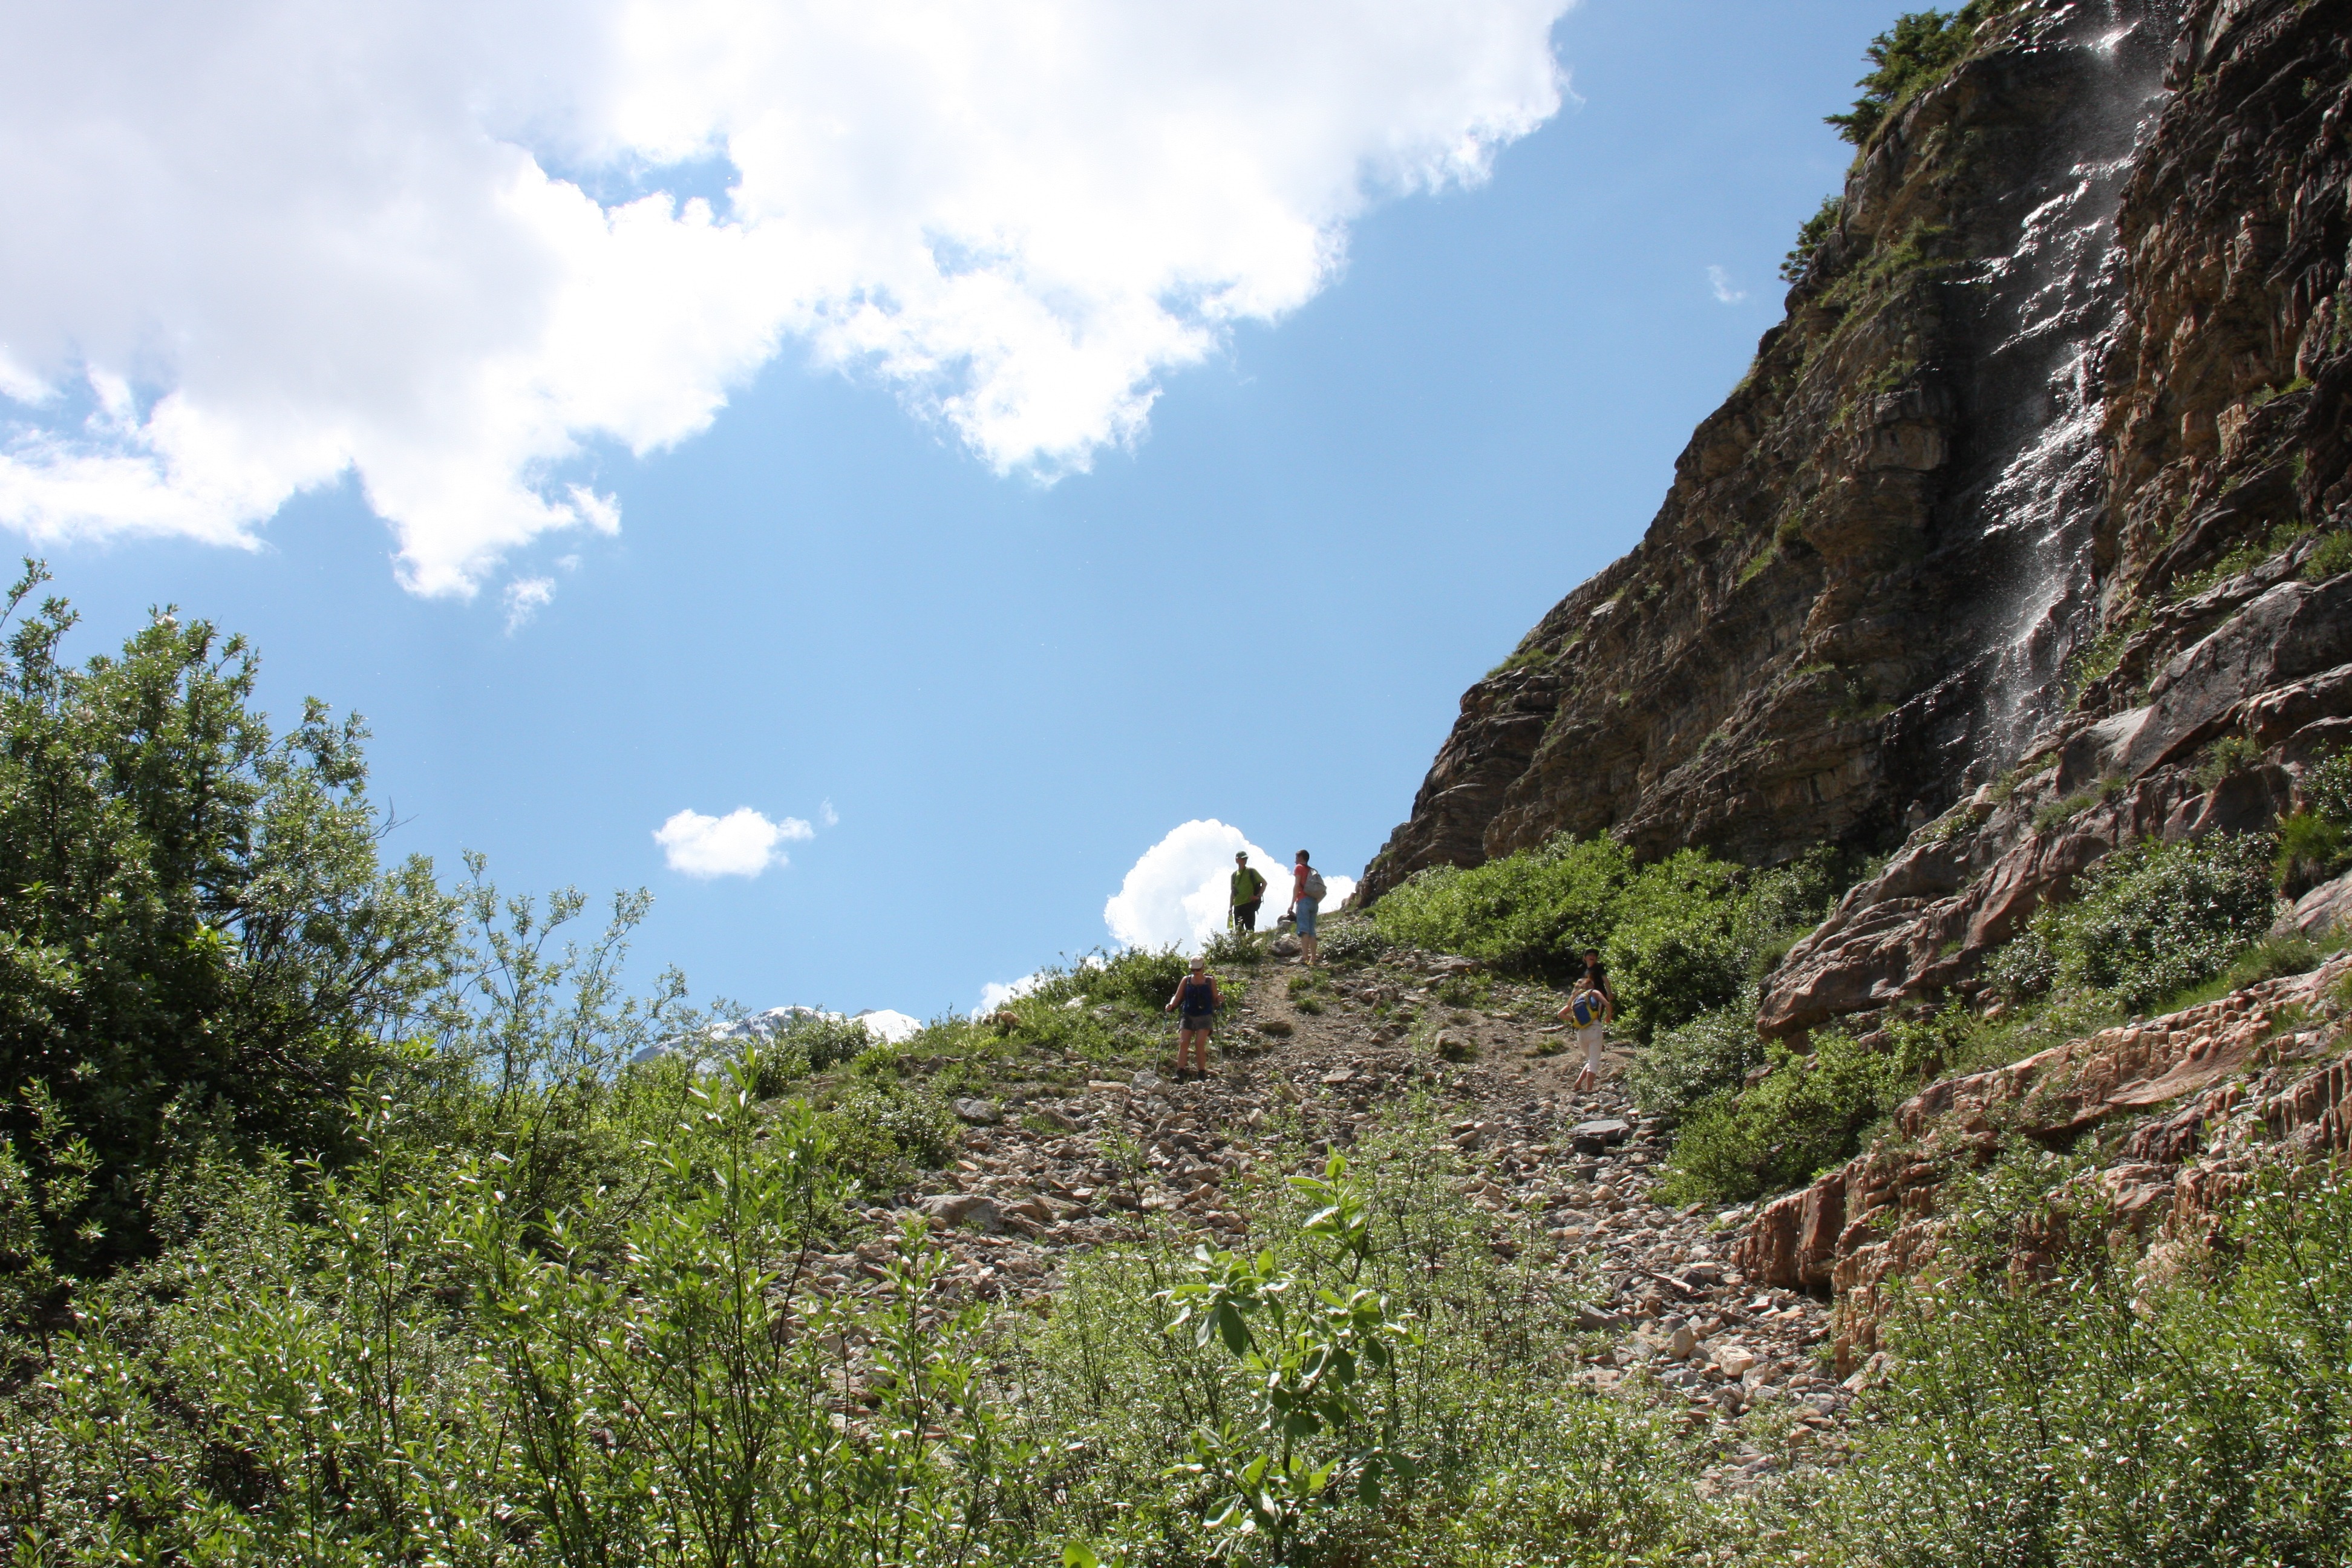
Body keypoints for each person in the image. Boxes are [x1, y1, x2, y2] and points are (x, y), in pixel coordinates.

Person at [1164, 956, 1221, 1080]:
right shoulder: (1186, 980)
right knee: (1184, 1043)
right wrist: (1171, 1004)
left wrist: (1220, 1000)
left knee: (1200, 1043)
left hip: (1205, 1015)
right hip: (1188, 1014)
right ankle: (1180, 1073)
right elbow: (1178, 996)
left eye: (1197, 970)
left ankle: (1201, 1073)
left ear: (1203, 968)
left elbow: (1216, 999)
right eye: (1193, 970)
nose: (1195, 972)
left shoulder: (1210, 981)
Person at [1559, 973, 1612, 1095]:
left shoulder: (1576, 999)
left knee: (1590, 1060)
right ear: (1591, 985)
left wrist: (1573, 1021)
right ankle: (1589, 1090)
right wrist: (1609, 1016)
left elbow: (1561, 1014)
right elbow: (1607, 1004)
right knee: (1594, 1062)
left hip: (1581, 1033)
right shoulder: (1594, 993)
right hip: (1595, 1029)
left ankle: (1578, 1083)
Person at [1290, 850, 1324, 967]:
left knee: (1304, 930)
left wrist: (1292, 903)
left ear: (1301, 857)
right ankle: (1313, 958)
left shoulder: (1299, 868)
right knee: (1312, 931)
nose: (1295, 859)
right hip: (1313, 902)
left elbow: (1297, 885)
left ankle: (1304, 957)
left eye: (1296, 856)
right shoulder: (1311, 870)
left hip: (1303, 900)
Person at [1230, 851, 1267, 933]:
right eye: (1243, 859)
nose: (1245, 860)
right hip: (1237, 906)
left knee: (1250, 928)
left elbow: (1264, 883)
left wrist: (1258, 896)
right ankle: (1242, 946)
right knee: (1239, 931)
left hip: (1249, 904)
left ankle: (1251, 945)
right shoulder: (1234, 875)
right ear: (1237, 860)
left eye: (1246, 859)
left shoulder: (1251, 871)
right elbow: (1233, 892)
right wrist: (1230, 907)